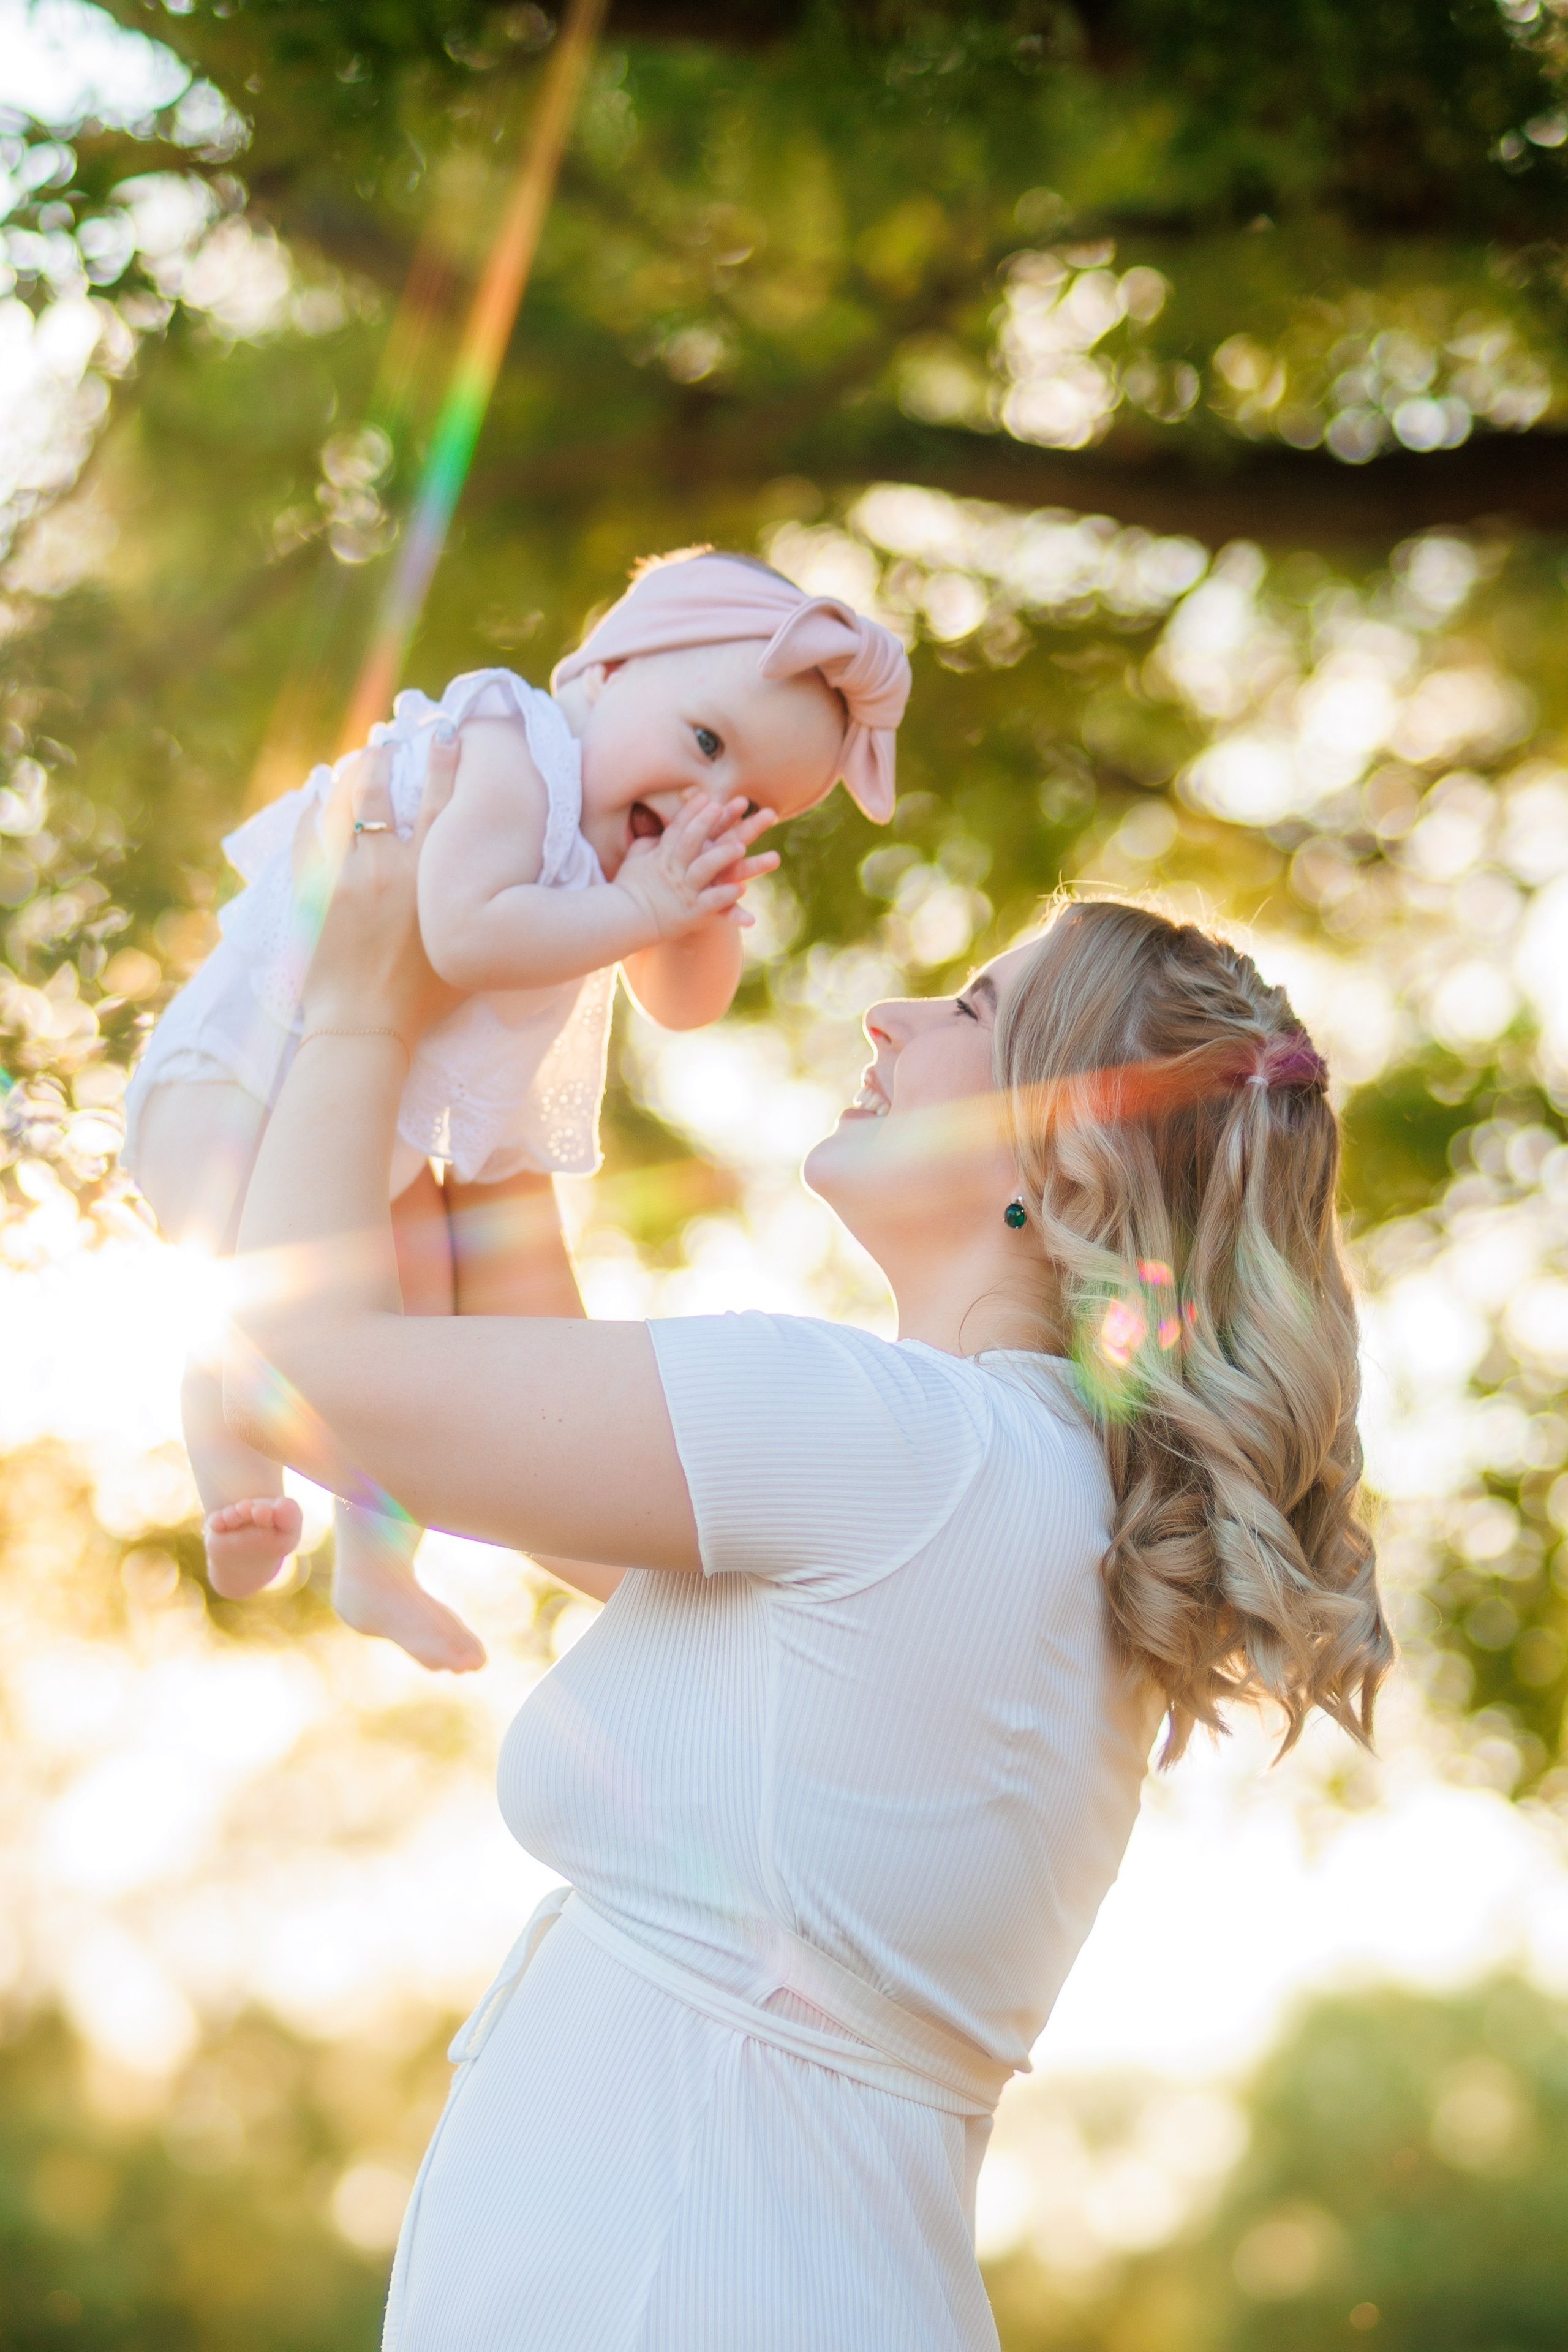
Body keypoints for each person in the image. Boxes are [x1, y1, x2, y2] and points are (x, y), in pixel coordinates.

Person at [224, 750, 1390, 2352]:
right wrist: (523, 1003)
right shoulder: (1022, 1492)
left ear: (1067, 1160)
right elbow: (530, 1406)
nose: (888, 1022)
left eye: (971, 1011)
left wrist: (361, 989)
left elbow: (326, 1362)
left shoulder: (888, 1443)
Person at [121, 549, 911, 1671]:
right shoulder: (508, 744)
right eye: (702, 743)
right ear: (603, 670)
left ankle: (375, 1560)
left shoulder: (628, 851)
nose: (706, 800)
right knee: (268, 1284)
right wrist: (642, 901)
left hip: (367, 1130)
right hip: (239, 1081)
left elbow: (684, 1008)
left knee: (420, 1343)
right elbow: (464, 932)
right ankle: (235, 1484)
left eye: (749, 804)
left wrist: (700, 907)